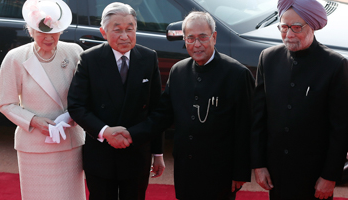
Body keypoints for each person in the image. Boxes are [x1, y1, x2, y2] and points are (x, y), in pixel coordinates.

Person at [112, 11, 254, 200]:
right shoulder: (179, 71)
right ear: (185, 40)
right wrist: (132, 133)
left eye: (203, 37)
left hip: (220, 172)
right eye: (190, 38)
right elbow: (162, 115)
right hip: (186, 169)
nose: (197, 44)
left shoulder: (237, 74)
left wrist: (240, 172)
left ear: (214, 37)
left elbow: (245, 126)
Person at [251, 0, 348, 199]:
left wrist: (330, 176)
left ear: (312, 26)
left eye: (296, 28)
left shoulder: (336, 65)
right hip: (277, 173)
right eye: (284, 27)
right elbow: (258, 118)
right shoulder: (268, 59)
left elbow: (341, 128)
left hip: (314, 176)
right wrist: (259, 164)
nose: (289, 34)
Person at [67, 2, 165, 200]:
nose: (125, 35)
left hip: (137, 150)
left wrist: (157, 153)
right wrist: (105, 132)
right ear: (103, 32)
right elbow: (76, 105)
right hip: (101, 152)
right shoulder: (89, 59)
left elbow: (157, 110)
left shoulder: (148, 58)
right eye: (117, 30)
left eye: (130, 29)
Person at [0, 0, 86, 199]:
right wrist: (35, 122)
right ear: (30, 31)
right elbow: (6, 104)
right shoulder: (15, 58)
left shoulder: (74, 52)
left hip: (69, 141)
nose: (49, 38)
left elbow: (85, 95)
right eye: (42, 33)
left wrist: (72, 117)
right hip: (34, 144)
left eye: (54, 32)